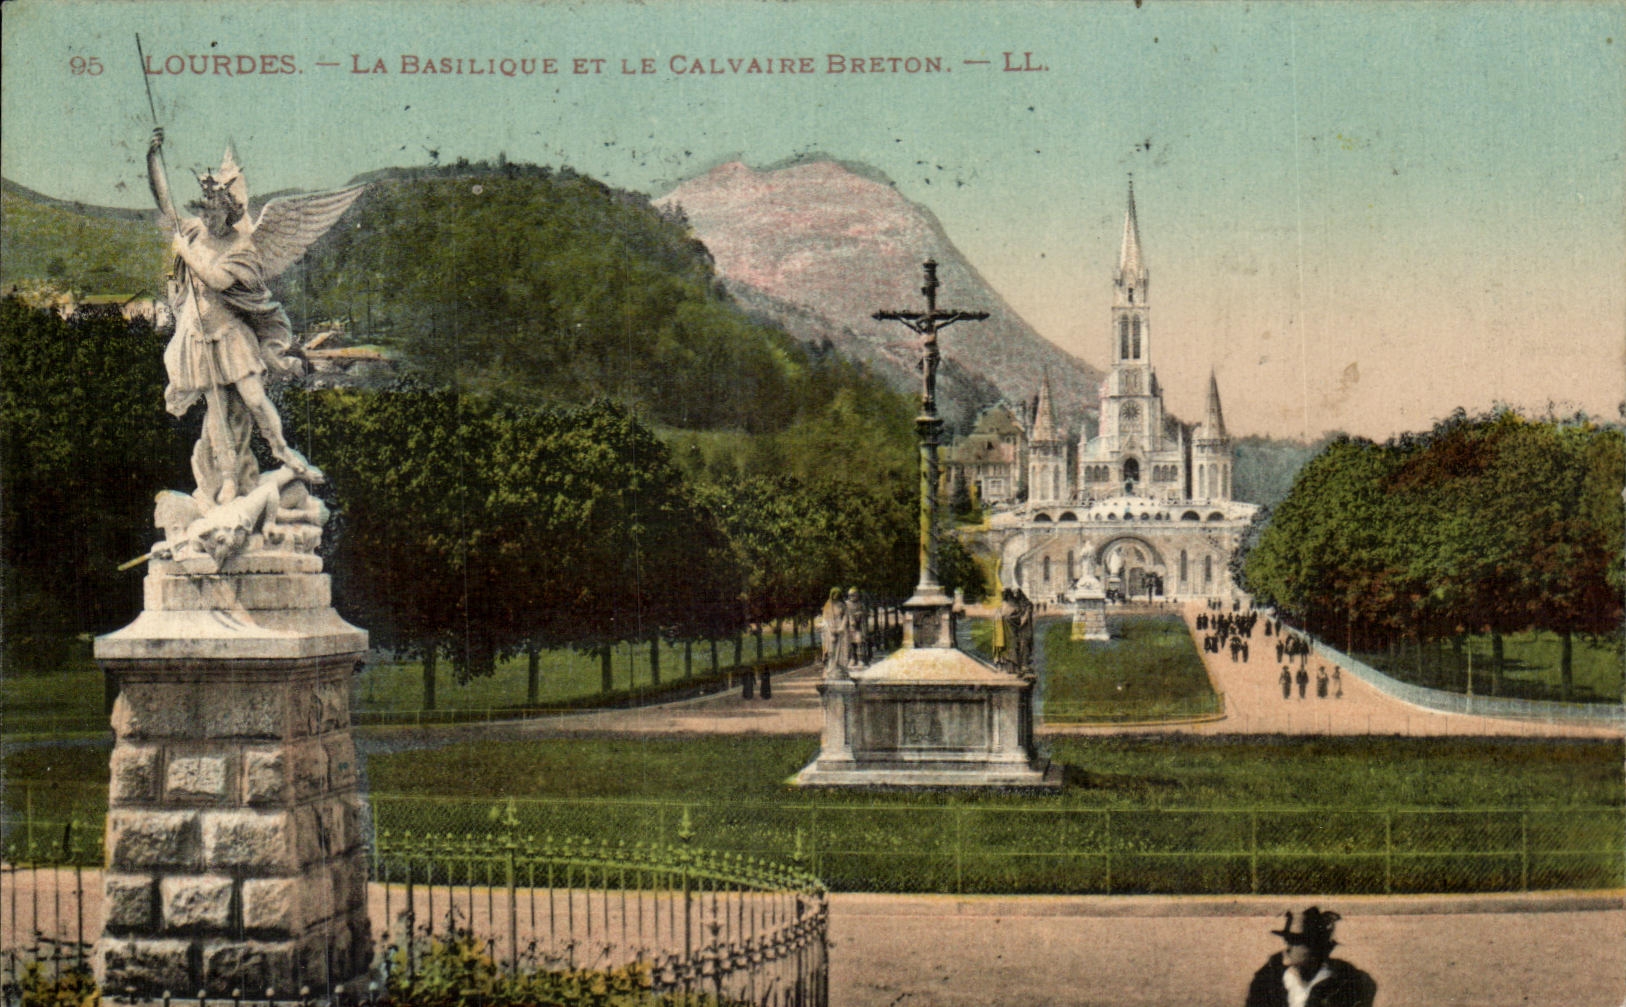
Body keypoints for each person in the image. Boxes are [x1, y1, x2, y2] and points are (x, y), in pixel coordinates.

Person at [147, 127, 363, 506]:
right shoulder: (194, 234)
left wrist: (183, 251)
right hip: (198, 338)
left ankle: (284, 455)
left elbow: (215, 279)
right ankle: (228, 480)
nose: (207, 217)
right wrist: (153, 159)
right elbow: (164, 203)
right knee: (216, 415)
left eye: (214, 211)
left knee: (255, 399)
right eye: (204, 210)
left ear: (229, 212)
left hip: (230, 337)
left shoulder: (241, 245)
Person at [1244, 907, 1376, 1007]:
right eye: (1288, 940)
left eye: (1296, 941)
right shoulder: (1268, 980)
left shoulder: (1347, 984)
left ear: (1315, 947)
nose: (1288, 947)